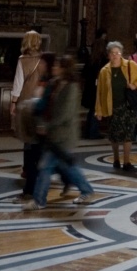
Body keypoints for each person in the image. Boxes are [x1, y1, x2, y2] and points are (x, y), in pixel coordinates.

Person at [24, 55, 94, 210]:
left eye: (57, 65)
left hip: (63, 135)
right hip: (54, 134)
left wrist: (47, 126)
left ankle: (39, 200)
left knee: (45, 167)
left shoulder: (72, 87)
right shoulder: (55, 84)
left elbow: (65, 114)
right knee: (66, 167)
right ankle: (86, 190)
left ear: (64, 68)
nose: (54, 68)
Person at [95, 40, 137, 171]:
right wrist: (99, 110)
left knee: (128, 134)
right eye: (112, 53)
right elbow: (100, 92)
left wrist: (134, 85)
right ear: (108, 55)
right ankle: (116, 158)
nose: (115, 55)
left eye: (117, 53)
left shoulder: (130, 65)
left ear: (121, 53)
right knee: (114, 136)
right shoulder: (104, 71)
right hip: (113, 107)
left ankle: (127, 162)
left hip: (128, 106)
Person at [11, 30, 47, 185]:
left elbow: (18, 82)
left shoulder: (22, 60)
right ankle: (39, 167)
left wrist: (13, 102)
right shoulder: (44, 59)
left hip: (26, 102)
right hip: (40, 100)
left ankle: (27, 168)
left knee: (27, 137)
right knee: (39, 135)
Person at [81, 27, 107, 139]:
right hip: (98, 88)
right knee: (96, 110)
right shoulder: (103, 60)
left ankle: (87, 131)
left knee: (92, 110)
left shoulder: (90, 59)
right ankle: (93, 132)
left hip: (89, 87)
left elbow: (84, 74)